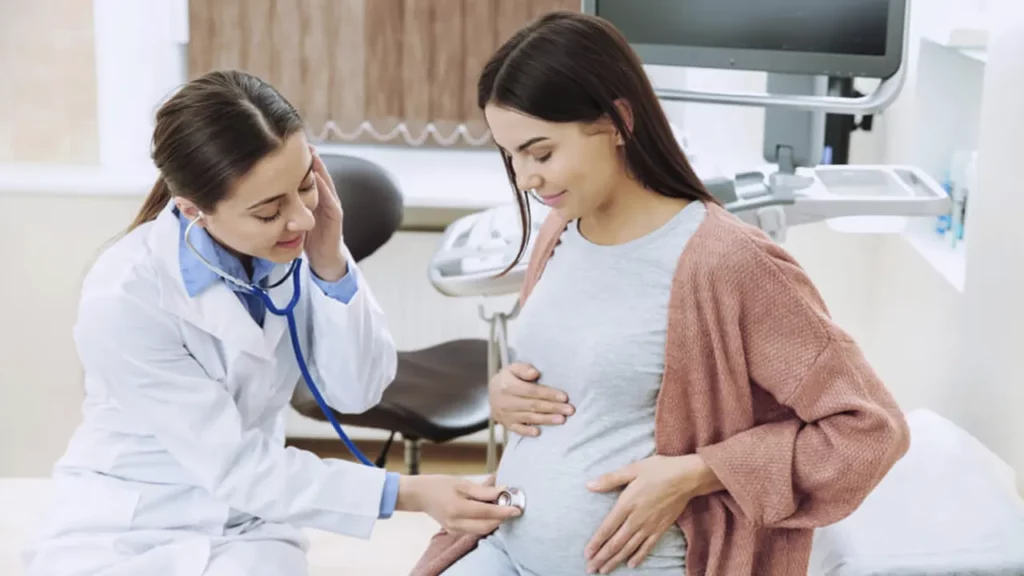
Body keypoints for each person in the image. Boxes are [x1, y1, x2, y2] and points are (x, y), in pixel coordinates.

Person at [411, 11, 910, 576]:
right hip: (506, 548)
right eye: (511, 156)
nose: (526, 179)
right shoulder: (559, 231)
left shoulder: (727, 263)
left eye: (541, 153)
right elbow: (594, 380)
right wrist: (507, 392)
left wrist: (701, 472)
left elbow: (871, 432)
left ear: (618, 121)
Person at [22, 70, 520, 576]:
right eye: (268, 211)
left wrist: (331, 264)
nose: (302, 219)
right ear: (194, 210)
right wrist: (408, 493)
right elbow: (233, 464)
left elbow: (357, 393)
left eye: (306, 185)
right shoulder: (126, 295)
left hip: (249, 522)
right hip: (131, 520)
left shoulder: (298, 251)